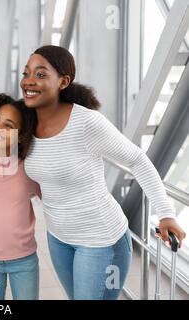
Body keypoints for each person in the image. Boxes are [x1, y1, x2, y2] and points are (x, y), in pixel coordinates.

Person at [20, 45, 186, 300]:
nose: (29, 81)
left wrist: (165, 213)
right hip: (58, 237)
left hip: (101, 240)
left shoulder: (86, 123)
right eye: (26, 73)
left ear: (63, 81)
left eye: (41, 74)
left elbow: (137, 159)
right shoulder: (26, 122)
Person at [0, 93, 41, 300]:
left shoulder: (29, 169)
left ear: (21, 136)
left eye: (9, 125)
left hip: (24, 259)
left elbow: (54, 199)